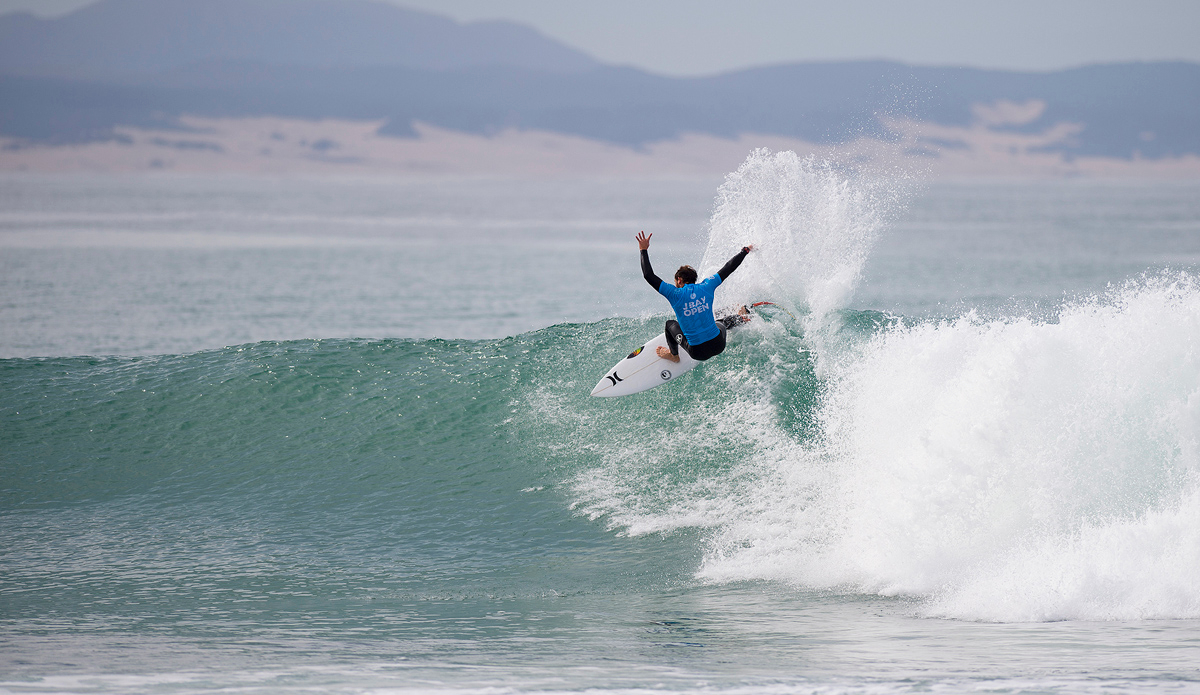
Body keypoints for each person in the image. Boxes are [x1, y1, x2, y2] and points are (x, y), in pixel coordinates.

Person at [636, 230, 754, 364]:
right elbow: (729, 267)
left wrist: (643, 250)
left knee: (670, 324)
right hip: (718, 345)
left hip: (697, 352)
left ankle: (673, 355)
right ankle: (741, 318)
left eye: (675, 282)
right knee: (721, 323)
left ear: (679, 280)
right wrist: (745, 250)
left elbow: (648, 275)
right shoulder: (707, 286)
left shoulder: (674, 294)